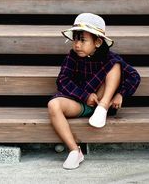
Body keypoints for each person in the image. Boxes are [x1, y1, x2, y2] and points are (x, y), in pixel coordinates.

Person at [47, 13, 141, 170]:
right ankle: (74, 151)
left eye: (83, 40)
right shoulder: (72, 57)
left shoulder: (109, 58)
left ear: (97, 42)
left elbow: (134, 76)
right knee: (53, 105)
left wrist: (121, 94)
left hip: (103, 101)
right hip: (80, 103)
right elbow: (62, 81)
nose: (77, 45)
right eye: (75, 39)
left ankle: (102, 108)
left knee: (115, 65)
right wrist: (85, 96)